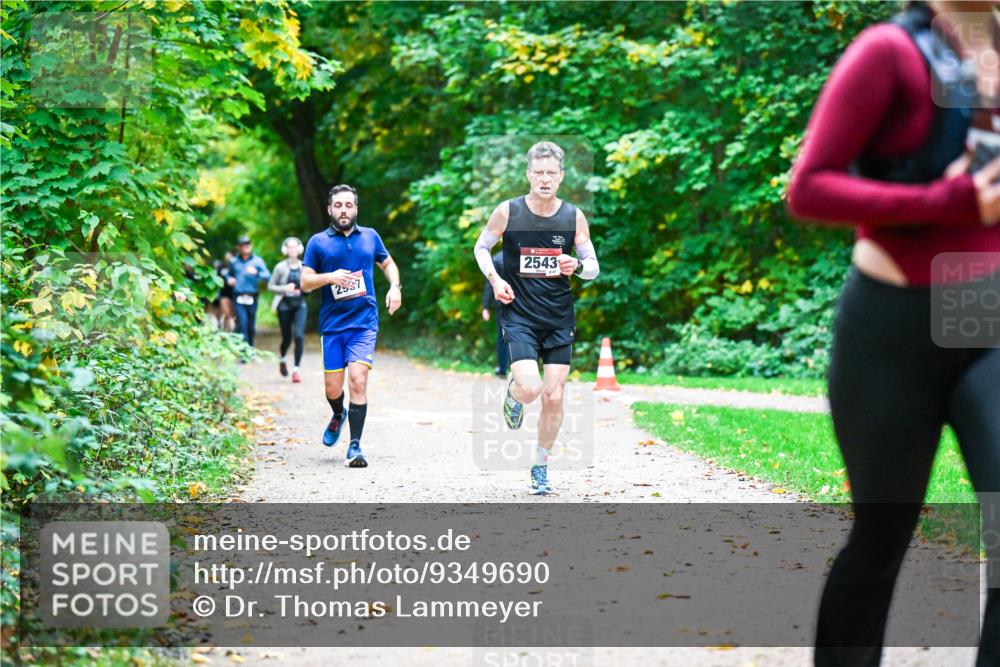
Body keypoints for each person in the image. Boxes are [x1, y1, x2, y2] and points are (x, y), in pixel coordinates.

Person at [786, 2, 1000, 665]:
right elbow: (810, 188)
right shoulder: (888, 54)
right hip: (891, 328)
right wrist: (940, 205)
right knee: (880, 538)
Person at [473, 141, 600, 495]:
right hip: (519, 315)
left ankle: (541, 465)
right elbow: (481, 248)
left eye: (551, 173)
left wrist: (577, 266)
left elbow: (593, 266)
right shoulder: (508, 211)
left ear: (561, 177)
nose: (545, 179)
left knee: (554, 396)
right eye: (539, 172)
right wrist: (495, 280)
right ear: (529, 174)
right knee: (531, 388)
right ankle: (514, 395)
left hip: (559, 317)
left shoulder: (573, 216)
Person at [300, 184, 402, 468]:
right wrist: (330, 277)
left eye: (349, 205)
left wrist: (395, 287)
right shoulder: (318, 242)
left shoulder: (370, 237)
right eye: (338, 206)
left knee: (358, 379)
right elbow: (305, 282)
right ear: (329, 209)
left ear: (356, 209)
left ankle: (355, 446)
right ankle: (337, 413)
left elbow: (388, 263)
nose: (344, 210)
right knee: (333, 389)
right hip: (332, 326)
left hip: (364, 323)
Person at [268, 236, 309, 383]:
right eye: (290, 247)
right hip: (284, 305)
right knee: (287, 337)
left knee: (299, 336)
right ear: (285, 250)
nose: (292, 250)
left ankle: (296, 370)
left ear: (299, 249)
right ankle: (283, 358)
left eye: (295, 247)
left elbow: (309, 286)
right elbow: (270, 286)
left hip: (300, 305)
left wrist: (304, 289)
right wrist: (285, 288)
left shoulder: (305, 266)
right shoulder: (280, 267)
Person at [228, 235, 270, 348]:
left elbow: (267, 276)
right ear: (238, 247)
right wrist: (229, 279)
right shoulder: (234, 261)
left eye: (247, 244)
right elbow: (228, 275)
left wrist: (256, 273)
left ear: (250, 246)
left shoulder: (258, 261)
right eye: (242, 245)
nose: (245, 247)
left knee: (251, 325)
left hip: (252, 296)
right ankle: (244, 351)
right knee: (242, 323)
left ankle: (250, 347)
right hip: (238, 296)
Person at [481, 251, 509, 378]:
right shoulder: (525, 254)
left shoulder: (497, 258)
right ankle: (514, 370)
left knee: (503, 338)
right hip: (523, 304)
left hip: (504, 303)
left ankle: (503, 369)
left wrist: (486, 307)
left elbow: (490, 284)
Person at [216, 251, 236, 332]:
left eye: (229, 257)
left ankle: (229, 330)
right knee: (227, 314)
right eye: (226, 257)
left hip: (234, 294)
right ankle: (225, 329)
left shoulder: (236, 267)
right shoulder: (221, 268)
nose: (228, 258)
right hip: (223, 294)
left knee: (232, 315)